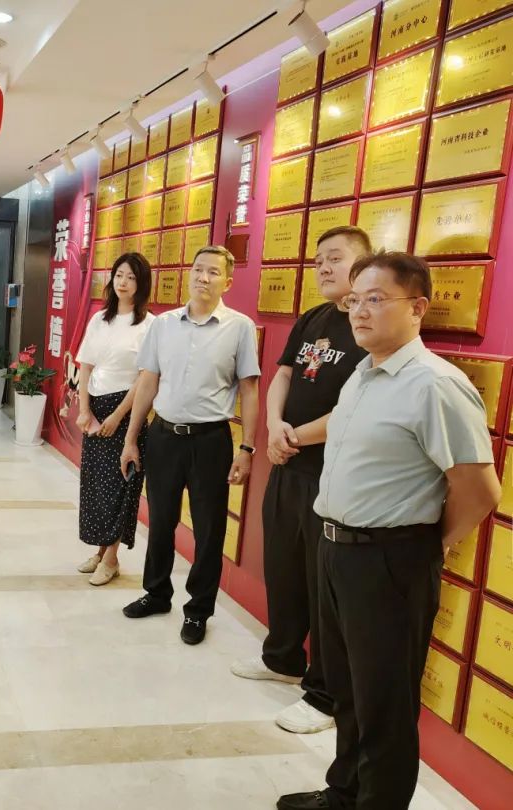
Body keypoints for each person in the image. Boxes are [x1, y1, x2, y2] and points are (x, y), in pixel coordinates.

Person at [277, 252, 500, 810]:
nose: (359, 311)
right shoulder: (365, 371)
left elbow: (480, 492)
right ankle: (344, 792)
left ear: (418, 307)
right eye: (355, 300)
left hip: (389, 560)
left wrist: (426, 546)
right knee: (348, 690)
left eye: (376, 299)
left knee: (385, 703)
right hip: (336, 551)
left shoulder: (436, 385)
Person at [230, 226, 371, 735]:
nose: (324, 268)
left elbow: (360, 402)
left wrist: (293, 437)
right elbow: (284, 374)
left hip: (330, 477)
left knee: (324, 587)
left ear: (364, 263)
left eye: (336, 258)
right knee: (284, 568)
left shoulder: (367, 324)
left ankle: (324, 694)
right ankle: (283, 656)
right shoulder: (313, 318)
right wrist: (273, 424)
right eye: (318, 261)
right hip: (287, 464)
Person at [119, 246, 261, 644]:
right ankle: (156, 593)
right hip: (164, 436)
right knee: (160, 520)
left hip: (210, 441)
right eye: (198, 269)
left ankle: (198, 611)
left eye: (213, 272)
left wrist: (247, 448)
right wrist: (131, 439)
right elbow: (148, 382)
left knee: (209, 530)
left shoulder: (240, 328)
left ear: (227, 282)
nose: (203, 277)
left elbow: (249, 389)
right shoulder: (163, 325)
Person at [74, 252, 154, 585]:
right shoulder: (99, 319)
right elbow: (86, 365)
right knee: (97, 487)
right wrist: (84, 409)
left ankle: (112, 558)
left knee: (122, 487)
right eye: (119, 275)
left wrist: (119, 416)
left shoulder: (149, 325)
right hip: (95, 409)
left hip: (127, 412)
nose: (123, 282)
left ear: (142, 284)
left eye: (131, 277)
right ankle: (100, 550)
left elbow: (145, 377)